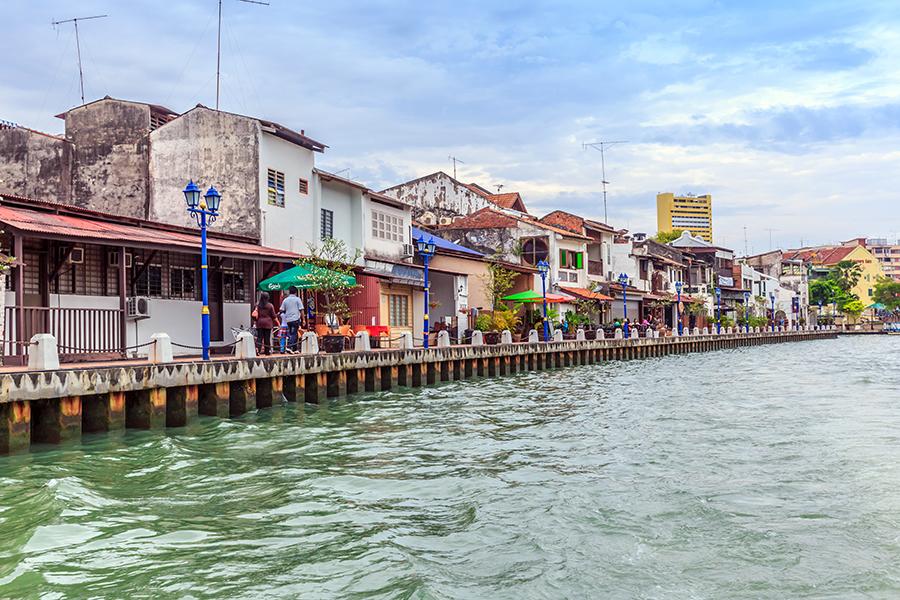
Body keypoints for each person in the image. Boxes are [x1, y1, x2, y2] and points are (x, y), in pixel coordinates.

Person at [279, 286, 303, 352]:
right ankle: (289, 346)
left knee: (291, 333)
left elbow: (281, 309)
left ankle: (295, 349)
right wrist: (303, 319)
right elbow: (301, 309)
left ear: (289, 292)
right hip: (295, 319)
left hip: (288, 320)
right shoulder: (298, 299)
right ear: (296, 292)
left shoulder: (285, 300)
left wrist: (286, 313)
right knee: (294, 333)